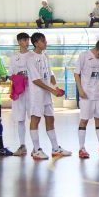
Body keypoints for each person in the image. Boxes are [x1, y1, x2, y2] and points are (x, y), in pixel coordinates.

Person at [27, 32, 71, 160]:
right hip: (36, 95)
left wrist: (55, 87)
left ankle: (56, 148)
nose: (45, 43)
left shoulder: (45, 56)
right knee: (35, 119)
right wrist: (52, 91)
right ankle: (36, 150)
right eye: (43, 41)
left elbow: (50, 74)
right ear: (36, 43)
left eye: (45, 40)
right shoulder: (31, 58)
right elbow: (36, 80)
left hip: (47, 94)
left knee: (50, 119)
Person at [74, 40, 99, 159]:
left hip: (98, 95)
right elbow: (76, 74)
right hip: (86, 94)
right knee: (84, 120)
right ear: (96, 49)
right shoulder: (84, 56)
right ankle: (81, 148)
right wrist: (80, 89)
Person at [9, 32, 32, 156]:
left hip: (32, 92)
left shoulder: (33, 55)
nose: (27, 42)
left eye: (28, 40)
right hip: (19, 92)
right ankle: (22, 145)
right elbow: (10, 75)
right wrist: (19, 77)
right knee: (20, 119)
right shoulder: (14, 57)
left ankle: (36, 147)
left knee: (34, 118)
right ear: (19, 42)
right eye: (24, 40)